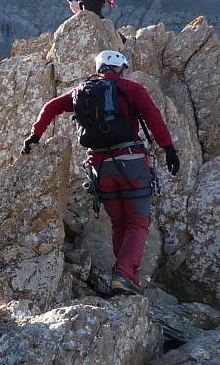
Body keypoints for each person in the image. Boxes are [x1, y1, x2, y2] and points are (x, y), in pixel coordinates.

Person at [20, 50, 180, 296]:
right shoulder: (131, 89)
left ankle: (127, 278)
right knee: (137, 223)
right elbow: (152, 117)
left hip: (99, 167)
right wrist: (168, 148)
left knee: (119, 223)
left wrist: (35, 135)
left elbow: (50, 107)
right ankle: (125, 276)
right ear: (120, 69)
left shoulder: (80, 92)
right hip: (131, 163)